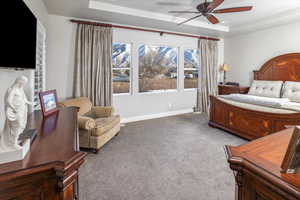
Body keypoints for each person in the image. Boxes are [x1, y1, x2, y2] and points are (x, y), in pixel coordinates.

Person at [0, 76, 32, 151]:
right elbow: (8, 101)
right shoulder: (12, 89)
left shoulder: (21, 90)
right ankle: (13, 144)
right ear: (19, 81)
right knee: (17, 126)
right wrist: (14, 108)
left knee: (20, 126)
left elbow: (24, 100)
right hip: (15, 112)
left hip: (21, 110)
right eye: (23, 82)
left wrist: (32, 103)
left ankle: (14, 141)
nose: (24, 84)